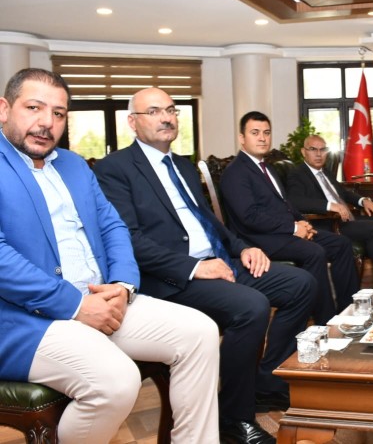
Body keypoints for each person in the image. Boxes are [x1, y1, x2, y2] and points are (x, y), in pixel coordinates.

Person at [0, 69, 221, 444]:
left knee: (200, 332)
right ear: (4, 109)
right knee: (117, 380)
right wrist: (74, 305)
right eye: (34, 108)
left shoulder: (73, 165)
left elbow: (113, 227)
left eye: (58, 113)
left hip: (102, 299)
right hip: (24, 320)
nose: (47, 122)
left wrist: (122, 286)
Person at [95, 88, 315, 444]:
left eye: (171, 110)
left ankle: (264, 383)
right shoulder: (114, 169)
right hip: (172, 277)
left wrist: (244, 248)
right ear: (132, 122)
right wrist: (194, 268)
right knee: (251, 307)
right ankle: (233, 418)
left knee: (301, 284)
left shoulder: (183, 165)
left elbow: (212, 223)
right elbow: (128, 239)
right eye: (154, 111)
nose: (166, 118)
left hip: (219, 263)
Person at [220, 111, 359, 324]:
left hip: (281, 232)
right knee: (314, 252)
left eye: (266, 133)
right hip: (258, 240)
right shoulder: (235, 172)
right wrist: (294, 228)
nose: (262, 138)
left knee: (341, 244)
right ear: (242, 138)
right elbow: (250, 217)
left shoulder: (268, 168)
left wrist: (304, 223)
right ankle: (326, 321)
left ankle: (350, 309)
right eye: (255, 133)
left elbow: (286, 204)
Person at [286, 134, 373, 289]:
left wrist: (363, 200)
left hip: (345, 219)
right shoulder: (297, 174)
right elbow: (296, 201)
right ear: (303, 152)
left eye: (322, 150)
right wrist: (329, 205)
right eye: (313, 149)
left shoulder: (325, 172)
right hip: (327, 223)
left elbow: (343, 193)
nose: (319, 154)